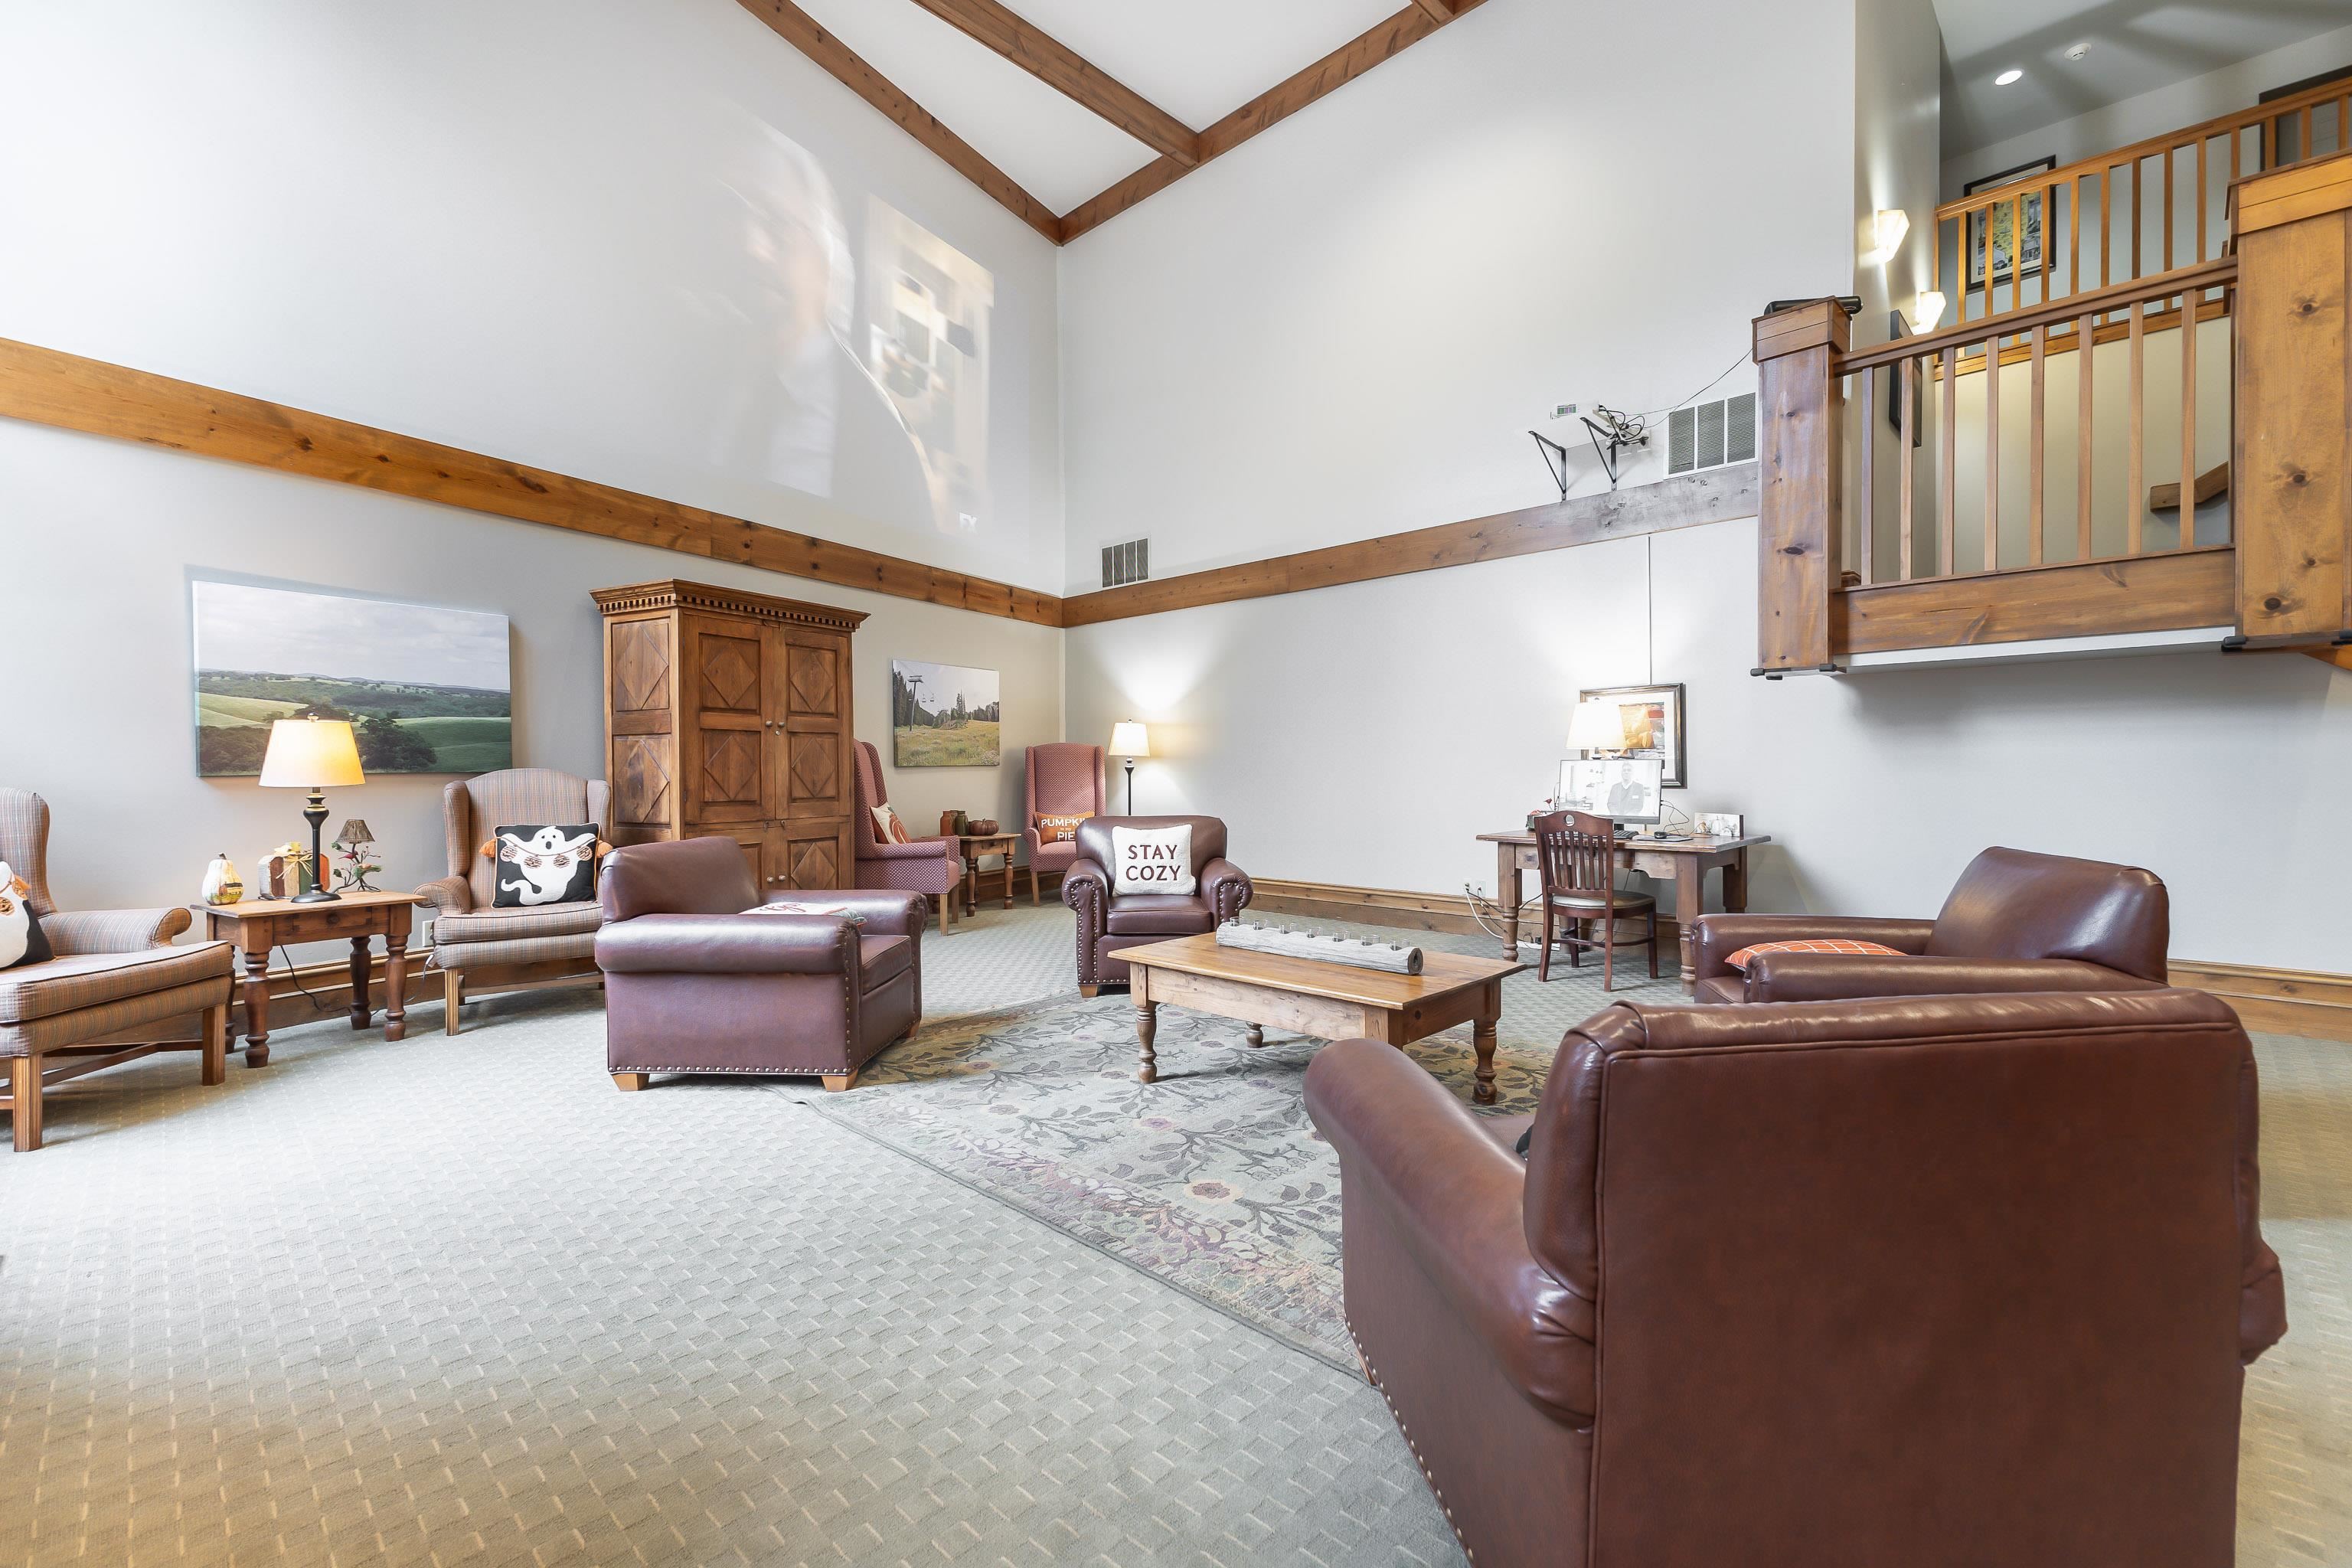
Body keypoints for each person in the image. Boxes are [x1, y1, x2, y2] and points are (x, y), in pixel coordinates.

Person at [704, 121, 933, 531]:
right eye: (731, 212)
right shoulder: (687, 371)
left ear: (827, 255)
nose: (750, 246)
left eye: (776, 223)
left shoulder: (885, 442)